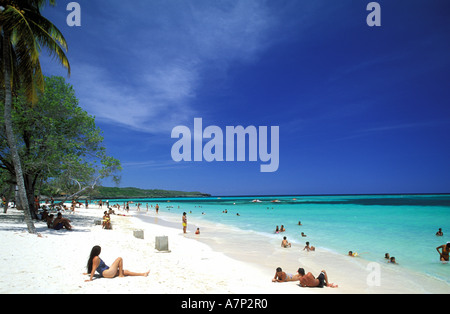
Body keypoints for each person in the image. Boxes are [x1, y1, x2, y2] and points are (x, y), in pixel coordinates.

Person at [84, 245, 149, 282]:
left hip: (108, 271)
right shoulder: (96, 258)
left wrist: (88, 273)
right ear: (97, 251)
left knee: (126, 272)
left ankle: (143, 274)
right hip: (107, 273)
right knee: (119, 258)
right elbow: (94, 268)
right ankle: (120, 275)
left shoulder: (94, 257)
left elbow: (93, 267)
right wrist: (90, 279)